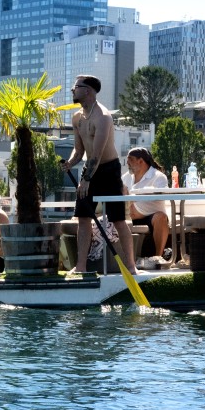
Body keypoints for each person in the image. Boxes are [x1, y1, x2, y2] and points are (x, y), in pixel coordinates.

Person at [61, 75, 138, 275]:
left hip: (109, 170)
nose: (72, 90)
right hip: (90, 169)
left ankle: (131, 266)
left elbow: (96, 153)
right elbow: (79, 151)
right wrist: (70, 162)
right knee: (84, 219)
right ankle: (81, 266)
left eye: (76, 87)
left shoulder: (103, 117)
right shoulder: (77, 117)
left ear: (87, 90)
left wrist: (85, 179)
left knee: (118, 220)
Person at [124, 146, 170, 259]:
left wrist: (133, 201)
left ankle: (158, 257)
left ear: (141, 161)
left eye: (130, 159)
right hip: (129, 218)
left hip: (151, 217)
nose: (127, 163)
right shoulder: (126, 178)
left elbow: (162, 196)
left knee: (161, 217)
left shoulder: (158, 177)